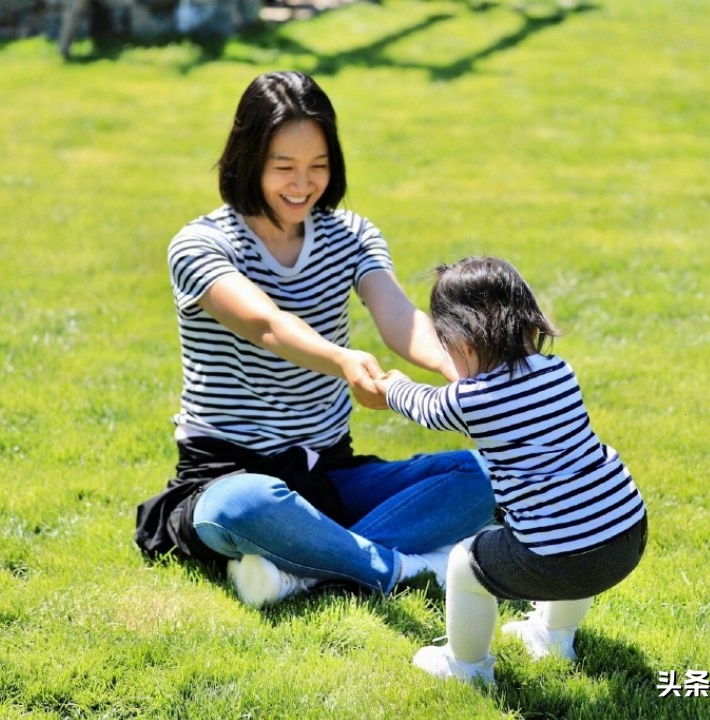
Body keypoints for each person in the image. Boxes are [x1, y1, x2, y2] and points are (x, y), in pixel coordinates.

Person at [133, 71, 496, 607]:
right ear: (247, 158)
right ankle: (401, 567)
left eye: (318, 167)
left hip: (329, 472)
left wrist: (462, 370)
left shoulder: (350, 235)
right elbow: (267, 325)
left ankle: (307, 568)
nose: (302, 184)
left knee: (487, 477)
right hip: (227, 472)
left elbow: (400, 318)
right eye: (284, 167)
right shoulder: (200, 245)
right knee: (247, 506)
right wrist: (342, 360)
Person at [373, 256, 648, 686]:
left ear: (462, 343)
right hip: (624, 531)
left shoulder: (472, 400)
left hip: (561, 557)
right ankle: (555, 636)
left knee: (466, 565)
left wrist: (390, 386)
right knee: (578, 527)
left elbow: (424, 406)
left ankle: (466, 667)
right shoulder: (558, 371)